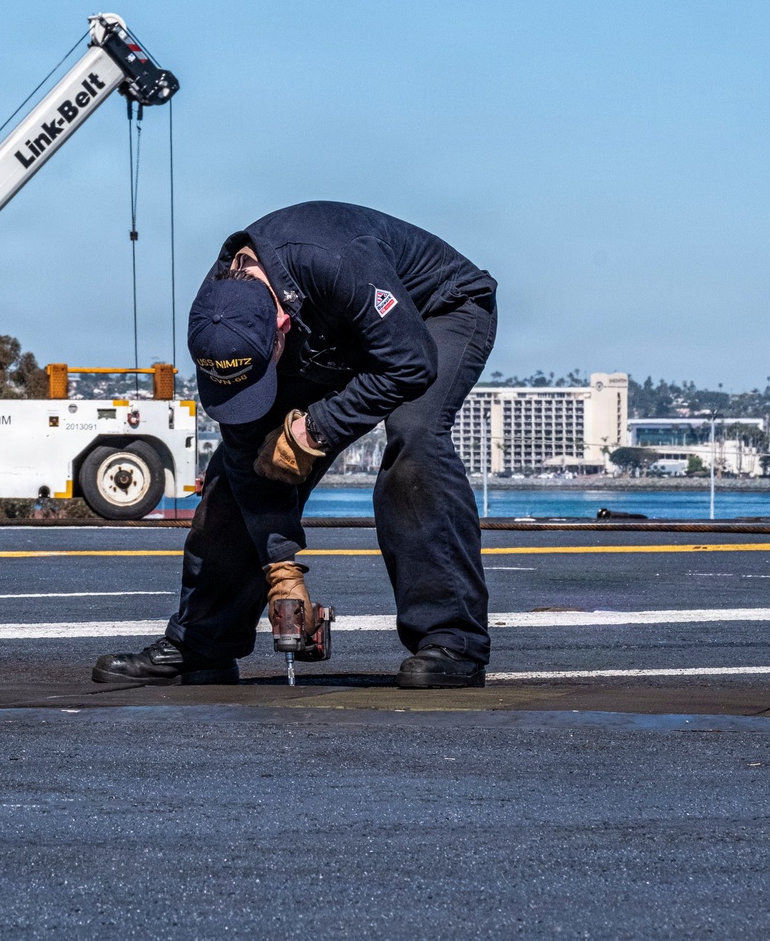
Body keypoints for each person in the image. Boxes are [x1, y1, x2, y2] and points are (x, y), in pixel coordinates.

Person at [92, 202, 497, 689]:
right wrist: (283, 570)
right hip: (335, 336)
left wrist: (316, 428)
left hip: (435, 313)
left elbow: (410, 364)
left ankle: (453, 642)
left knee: (416, 438)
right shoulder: (220, 319)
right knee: (238, 476)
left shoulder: (339, 258)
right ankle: (203, 644)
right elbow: (245, 450)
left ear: (279, 326)